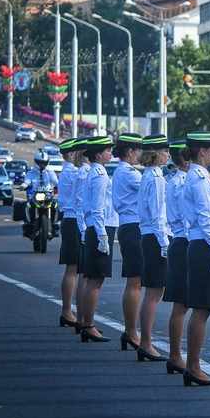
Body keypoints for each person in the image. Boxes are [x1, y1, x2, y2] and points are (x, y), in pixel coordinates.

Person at [181, 132, 210, 386]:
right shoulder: (197, 179)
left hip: (203, 243)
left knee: (203, 308)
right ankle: (194, 365)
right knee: (201, 308)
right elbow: (205, 217)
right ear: (201, 152)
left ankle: (193, 364)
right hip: (203, 244)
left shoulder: (200, 176)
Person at [79, 135, 119, 343]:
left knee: (92, 279)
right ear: (98, 154)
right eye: (107, 150)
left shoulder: (94, 172)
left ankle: (87, 323)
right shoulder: (100, 175)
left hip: (95, 228)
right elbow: (97, 208)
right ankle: (88, 324)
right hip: (100, 228)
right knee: (96, 280)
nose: (110, 153)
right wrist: (102, 234)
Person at [136, 134, 171, 362]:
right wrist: (165, 243)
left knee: (152, 292)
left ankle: (145, 341)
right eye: (165, 150)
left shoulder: (149, 175)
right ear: (156, 154)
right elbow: (158, 215)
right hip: (156, 236)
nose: (168, 154)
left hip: (149, 235)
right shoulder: (156, 178)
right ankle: (146, 342)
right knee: (154, 293)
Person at [112, 133, 144, 352]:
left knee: (136, 282)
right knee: (135, 282)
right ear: (131, 151)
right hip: (133, 227)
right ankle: (132, 331)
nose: (141, 154)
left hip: (129, 226)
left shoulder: (125, 171)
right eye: (139, 150)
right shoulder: (129, 174)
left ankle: (130, 330)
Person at [163, 138, 191, 375]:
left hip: (178, 240)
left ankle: (176, 354)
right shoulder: (182, 183)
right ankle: (175, 354)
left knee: (181, 304)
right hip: (183, 240)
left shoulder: (174, 180)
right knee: (182, 304)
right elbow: (188, 216)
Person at [56, 139, 81, 329]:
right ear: (72, 154)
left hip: (70, 219)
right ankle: (67, 311)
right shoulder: (73, 172)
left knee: (74, 269)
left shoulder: (68, 171)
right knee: (73, 269)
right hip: (73, 220)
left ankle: (70, 311)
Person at [72, 139, 92, 335]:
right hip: (86, 227)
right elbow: (81, 204)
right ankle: (83, 319)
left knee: (85, 276)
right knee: (86, 276)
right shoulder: (85, 173)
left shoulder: (85, 171)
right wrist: (85, 231)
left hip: (85, 227)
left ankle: (82, 318)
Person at [22, 149, 58, 236]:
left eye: (44, 162)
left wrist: (60, 186)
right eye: (40, 162)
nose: (42, 164)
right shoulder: (31, 172)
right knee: (28, 206)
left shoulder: (50, 172)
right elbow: (27, 181)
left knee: (55, 205)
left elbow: (56, 181)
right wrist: (23, 185)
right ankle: (29, 224)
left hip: (47, 194)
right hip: (35, 195)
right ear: (36, 162)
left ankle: (54, 225)